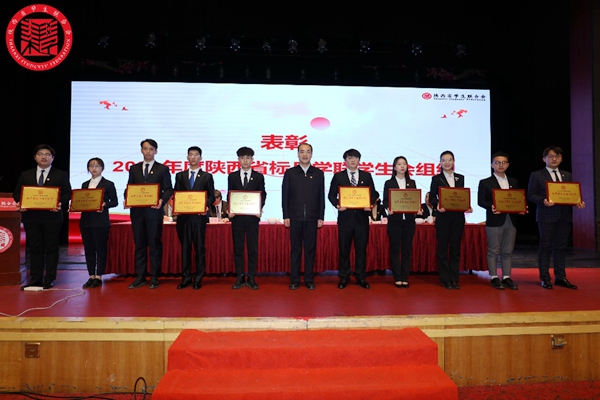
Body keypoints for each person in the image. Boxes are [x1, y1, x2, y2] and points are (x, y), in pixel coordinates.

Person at [14, 144, 72, 290]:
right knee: (35, 247)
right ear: (35, 157)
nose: (44, 157)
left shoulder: (61, 174)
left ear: (52, 158)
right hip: (31, 217)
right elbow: (17, 193)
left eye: (47, 154)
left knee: (51, 247)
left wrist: (59, 203)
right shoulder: (26, 174)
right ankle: (36, 278)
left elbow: (67, 193)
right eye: (40, 154)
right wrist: (21, 202)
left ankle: (50, 278)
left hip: (52, 217)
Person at [527, 146, 585, 290]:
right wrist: (543, 201)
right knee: (545, 246)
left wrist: (578, 202)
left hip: (564, 216)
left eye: (557, 156)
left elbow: (571, 194)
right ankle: (545, 278)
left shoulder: (567, 175)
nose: (554, 159)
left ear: (561, 159)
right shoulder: (537, 175)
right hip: (546, 216)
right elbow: (531, 195)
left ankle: (560, 277)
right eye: (551, 156)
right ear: (544, 159)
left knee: (561, 247)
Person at [125, 139, 173, 289]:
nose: (148, 151)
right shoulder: (134, 169)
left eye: (151, 149)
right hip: (137, 213)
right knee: (139, 244)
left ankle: (154, 277)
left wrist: (161, 200)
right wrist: (127, 198)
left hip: (154, 212)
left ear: (156, 151)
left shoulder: (162, 169)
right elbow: (130, 187)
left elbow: (168, 189)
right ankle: (140, 276)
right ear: (141, 150)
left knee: (154, 244)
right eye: (145, 148)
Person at [328, 149, 378, 289]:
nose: (353, 160)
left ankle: (360, 277)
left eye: (355, 157)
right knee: (344, 250)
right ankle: (344, 277)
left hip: (362, 220)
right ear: (345, 161)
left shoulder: (366, 176)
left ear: (359, 160)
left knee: (361, 250)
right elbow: (331, 195)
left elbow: (374, 194)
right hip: (345, 219)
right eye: (350, 158)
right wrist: (337, 205)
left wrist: (370, 204)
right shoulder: (338, 176)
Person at [477, 152, 523, 291]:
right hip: (494, 220)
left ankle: (507, 277)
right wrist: (491, 207)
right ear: (492, 165)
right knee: (493, 250)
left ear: (507, 165)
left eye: (503, 162)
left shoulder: (513, 182)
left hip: (511, 220)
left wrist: (520, 208)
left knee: (507, 250)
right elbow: (481, 201)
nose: (500, 165)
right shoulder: (485, 182)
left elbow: (517, 199)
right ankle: (494, 277)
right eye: (497, 162)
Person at [282, 143, 325, 290]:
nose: (305, 155)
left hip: (312, 218)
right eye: (302, 152)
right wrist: (286, 215)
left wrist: (320, 216)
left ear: (311, 154)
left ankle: (309, 279)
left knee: (310, 250)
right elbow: (285, 196)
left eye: (307, 152)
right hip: (295, 218)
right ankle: (294, 279)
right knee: (295, 250)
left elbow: (321, 197)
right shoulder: (290, 173)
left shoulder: (318, 173)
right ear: (298, 154)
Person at [173, 146, 215, 290]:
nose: (193, 157)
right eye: (191, 155)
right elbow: (176, 194)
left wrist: (205, 206)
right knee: (185, 249)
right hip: (184, 219)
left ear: (200, 158)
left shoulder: (207, 176)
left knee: (199, 249)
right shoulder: (180, 176)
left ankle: (198, 278)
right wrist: (177, 207)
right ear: (187, 157)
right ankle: (185, 278)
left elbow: (211, 196)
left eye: (196, 155)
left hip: (199, 218)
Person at [429, 150, 472, 290]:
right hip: (443, 218)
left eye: (449, 160)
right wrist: (437, 205)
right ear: (440, 163)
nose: (447, 162)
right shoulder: (436, 179)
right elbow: (432, 197)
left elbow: (462, 196)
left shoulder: (460, 178)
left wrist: (467, 205)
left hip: (458, 218)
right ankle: (445, 279)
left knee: (455, 249)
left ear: (453, 162)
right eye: (444, 160)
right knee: (442, 249)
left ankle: (454, 278)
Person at [227, 147, 266, 290]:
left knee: (252, 248)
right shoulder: (232, 176)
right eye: (242, 158)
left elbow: (263, 194)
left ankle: (251, 277)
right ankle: (239, 276)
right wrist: (230, 209)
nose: (245, 160)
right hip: (237, 218)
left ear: (252, 160)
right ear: (238, 160)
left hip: (252, 218)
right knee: (238, 248)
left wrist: (259, 208)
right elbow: (230, 194)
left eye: (248, 158)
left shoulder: (258, 177)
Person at [79, 158, 118, 288]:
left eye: (97, 166)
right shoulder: (85, 184)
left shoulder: (108, 184)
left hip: (101, 222)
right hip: (86, 221)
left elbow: (115, 202)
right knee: (89, 249)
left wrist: (104, 204)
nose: (94, 168)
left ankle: (99, 276)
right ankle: (91, 275)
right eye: (91, 166)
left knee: (100, 249)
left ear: (102, 168)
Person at [383, 156, 421, 288]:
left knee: (407, 250)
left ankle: (405, 277)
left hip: (409, 221)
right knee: (395, 249)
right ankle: (397, 277)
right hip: (394, 221)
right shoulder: (389, 183)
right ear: (394, 167)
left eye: (404, 164)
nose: (402, 166)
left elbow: (414, 199)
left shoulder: (412, 182)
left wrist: (417, 208)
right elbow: (385, 200)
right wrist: (388, 208)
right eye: (399, 164)